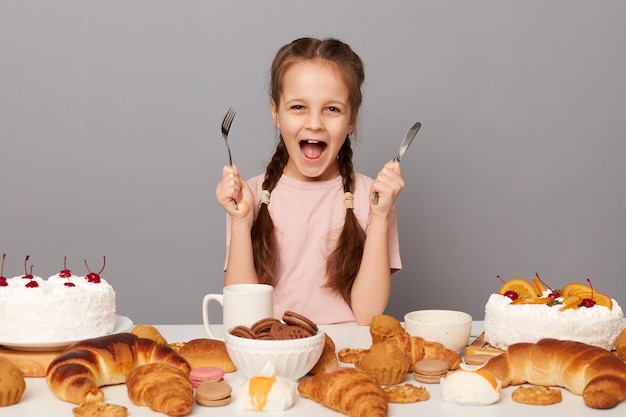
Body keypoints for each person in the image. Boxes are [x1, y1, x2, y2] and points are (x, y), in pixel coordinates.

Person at [215, 37, 403, 325]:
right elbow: (242, 317)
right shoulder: (248, 196)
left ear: (352, 119)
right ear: (276, 113)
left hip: (344, 356)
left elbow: (369, 316)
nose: (314, 123)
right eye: (298, 107)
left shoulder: (373, 198)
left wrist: (379, 217)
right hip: (272, 353)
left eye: (332, 109)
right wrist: (241, 221)